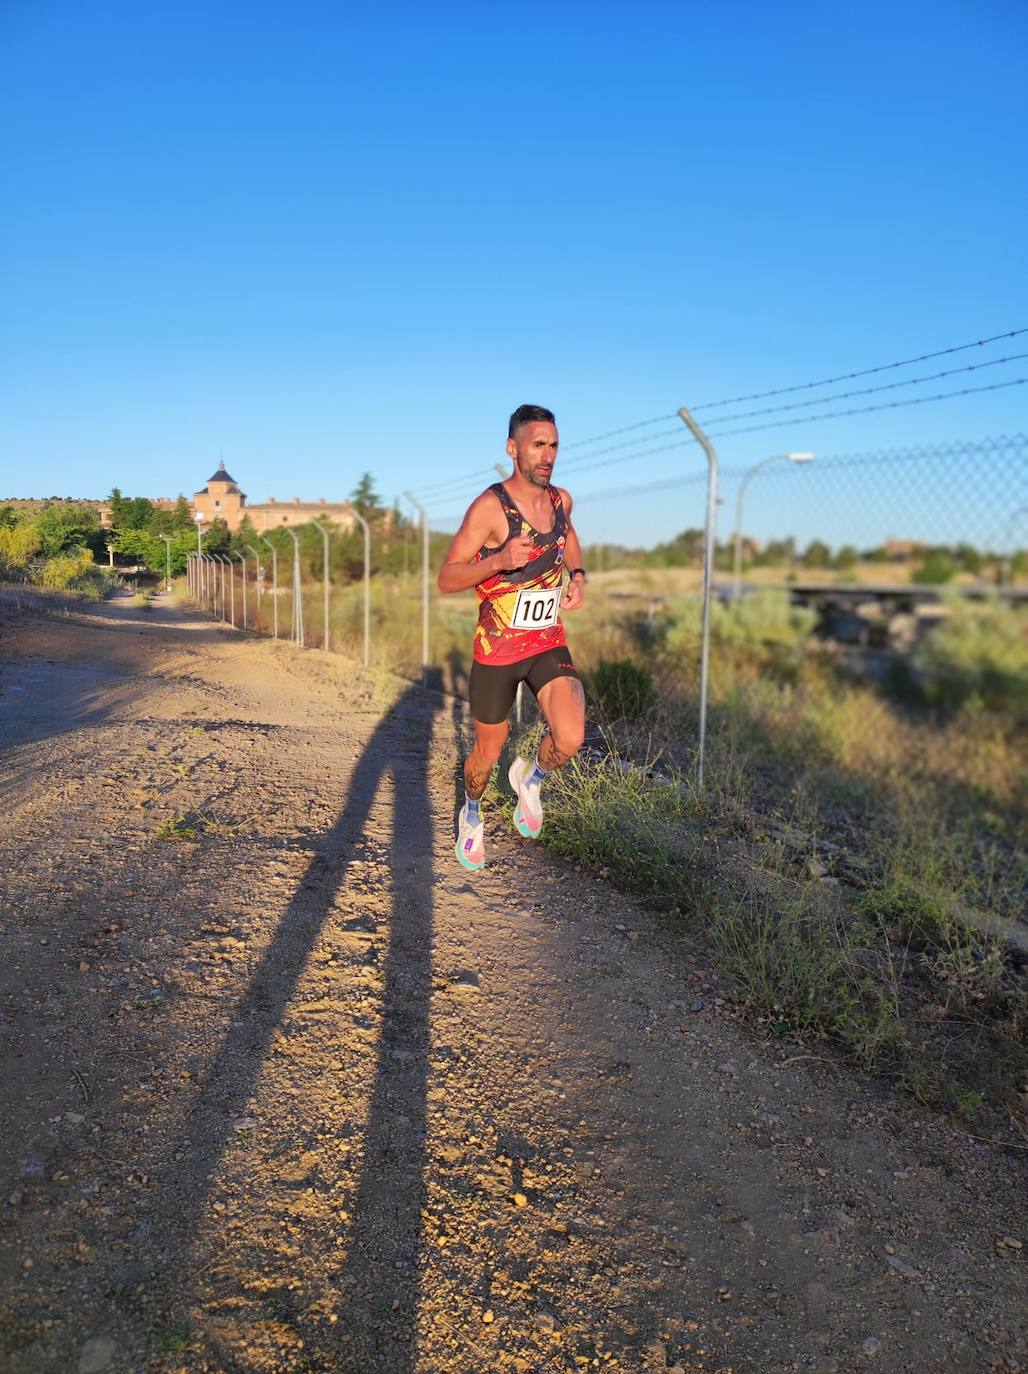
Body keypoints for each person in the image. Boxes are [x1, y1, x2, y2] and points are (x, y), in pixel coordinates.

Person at [438, 403, 587, 870]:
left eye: (554, 445)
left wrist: (578, 574)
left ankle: (531, 777)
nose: (548, 455)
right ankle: (473, 812)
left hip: (546, 641)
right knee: (486, 753)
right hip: (497, 652)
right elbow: (447, 577)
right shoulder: (490, 507)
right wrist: (499, 559)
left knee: (571, 736)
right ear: (513, 448)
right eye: (538, 445)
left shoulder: (562, 499)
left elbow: (568, 540)